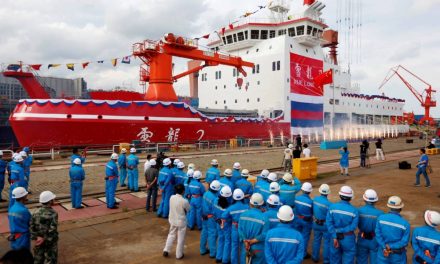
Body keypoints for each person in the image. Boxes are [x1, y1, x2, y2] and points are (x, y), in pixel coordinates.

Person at [326, 185, 359, 264]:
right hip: (348, 238)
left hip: (335, 236)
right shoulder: (354, 211)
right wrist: (341, 230)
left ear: (340, 195)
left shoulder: (332, 207)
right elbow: (353, 226)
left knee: (334, 258)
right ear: (350, 197)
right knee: (348, 258)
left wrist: (334, 235)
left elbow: (329, 223)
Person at [375, 196, 410, 263]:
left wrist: (384, 246)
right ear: (400, 208)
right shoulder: (405, 224)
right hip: (397, 256)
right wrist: (391, 246)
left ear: (389, 206)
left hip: (383, 252)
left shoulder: (380, 218)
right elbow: (404, 242)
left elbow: (378, 235)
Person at [238, 193, 269, 264]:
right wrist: (252, 241)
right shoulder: (265, 218)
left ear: (250, 203)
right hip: (258, 248)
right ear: (261, 204)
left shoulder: (242, 215)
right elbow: (264, 235)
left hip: (245, 246)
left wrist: (245, 241)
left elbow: (240, 230)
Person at [222, 189, 249, 264]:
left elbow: (223, 216)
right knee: (243, 247)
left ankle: (234, 262)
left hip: (235, 228)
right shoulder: (247, 207)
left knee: (234, 246)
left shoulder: (231, 208)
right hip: (244, 228)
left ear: (233, 197)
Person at [163, 184, 190, 260]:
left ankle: (166, 250)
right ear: (183, 191)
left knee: (171, 234)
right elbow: (188, 209)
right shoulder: (184, 201)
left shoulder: (172, 197)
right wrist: (187, 199)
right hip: (181, 222)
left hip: (172, 220)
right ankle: (179, 254)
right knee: (180, 238)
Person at [356, 189, 384, 264]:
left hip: (362, 237)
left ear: (364, 199)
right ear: (375, 201)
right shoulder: (380, 213)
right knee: (374, 259)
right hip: (374, 239)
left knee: (361, 259)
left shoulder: (358, 211)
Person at [30, 191, 58, 264]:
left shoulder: (35, 212)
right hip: (50, 242)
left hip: (38, 240)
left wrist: (36, 237)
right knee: (51, 259)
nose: (54, 200)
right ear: (50, 201)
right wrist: (45, 239)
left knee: (38, 259)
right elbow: (52, 229)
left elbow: (31, 226)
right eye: (53, 199)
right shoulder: (53, 213)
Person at [200, 180, 221, 258]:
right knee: (212, 234)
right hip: (211, 218)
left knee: (204, 232)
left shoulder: (206, 193)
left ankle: (202, 249)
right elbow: (215, 210)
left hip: (204, 216)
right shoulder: (215, 198)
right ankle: (213, 253)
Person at [311, 184, 332, 263]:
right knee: (326, 242)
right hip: (325, 225)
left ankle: (314, 257)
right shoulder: (329, 204)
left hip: (316, 223)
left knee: (316, 240)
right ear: (328, 193)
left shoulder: (315, 199)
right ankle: (326, 260)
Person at [213, 186, 233, 263]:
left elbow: (213, 212)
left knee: (221, 239)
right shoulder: (229, 206)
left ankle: (218, 257)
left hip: (218, 223)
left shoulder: (215, 201)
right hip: (227, 225)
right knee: (227, 241)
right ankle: (225, 259)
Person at [294, 182, 314, 259]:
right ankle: (303, 254)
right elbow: (312, 212)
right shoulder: (310, 202)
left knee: (297, 235)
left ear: (302, 190)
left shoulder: (296, 198)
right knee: (305, 237)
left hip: (297, 219)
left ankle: (295, 251)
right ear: (310, 191)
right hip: (307, 221)